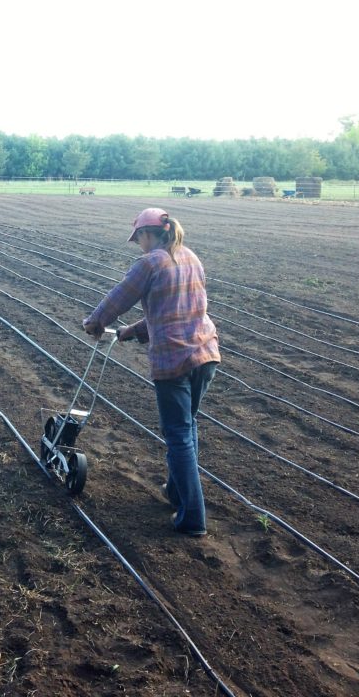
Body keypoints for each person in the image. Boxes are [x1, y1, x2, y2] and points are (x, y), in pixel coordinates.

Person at [82, 208, 221, 537]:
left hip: (174, 360)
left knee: (178, 436)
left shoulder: (150, 263)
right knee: (187, 427)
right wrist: (130, 332)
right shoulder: (190, 257)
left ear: (147, 235)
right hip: (206, 354)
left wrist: (95, 322)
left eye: (139, 239)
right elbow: (177, 311)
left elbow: (120, 297)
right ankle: (176, 492)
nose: (138, 245)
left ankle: (192, 519)